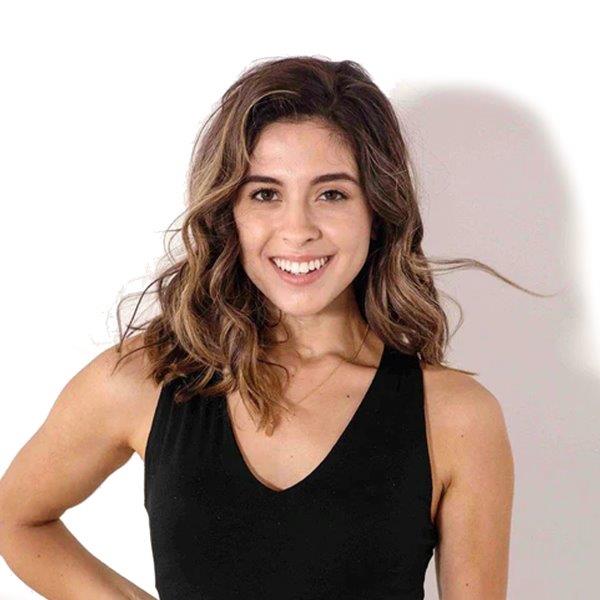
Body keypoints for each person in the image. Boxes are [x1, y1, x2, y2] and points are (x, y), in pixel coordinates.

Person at [0, 56, 522, 599]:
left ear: (377, 213)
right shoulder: (144, 379)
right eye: (265, 194)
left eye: (332, 193)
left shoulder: (457, 417)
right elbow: (16, 518)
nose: (297, 230)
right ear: (230, 213)